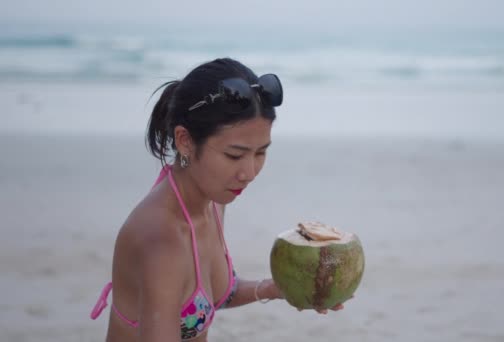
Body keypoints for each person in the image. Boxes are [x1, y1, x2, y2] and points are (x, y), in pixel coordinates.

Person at [89, 58, 345, 342]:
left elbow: (217, 292)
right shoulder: (162, 242)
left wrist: (278, 289)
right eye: (234, 155)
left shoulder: (212, 200)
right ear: (185, 141)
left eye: (260, 153)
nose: (248, 173)